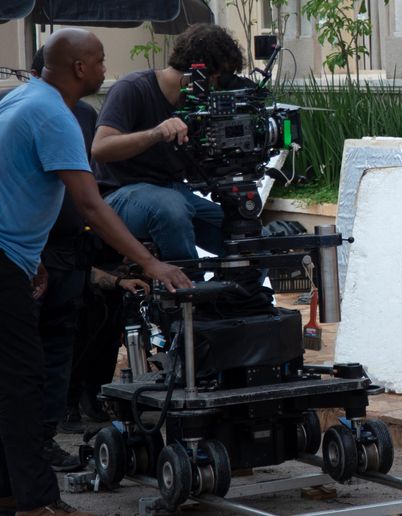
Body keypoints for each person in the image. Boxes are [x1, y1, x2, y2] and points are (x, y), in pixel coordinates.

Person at [0, 28, 191, 515]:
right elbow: (89, 202)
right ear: (80, 68)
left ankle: (9, 490)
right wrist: (150, 261)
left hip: (11, 257)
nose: (108, 70)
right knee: (24, 381)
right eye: (102, 60)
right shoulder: (57, 116)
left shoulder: (22, 97)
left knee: (11, 379)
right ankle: (34, 501)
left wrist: (31, 252)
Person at [92, 23, 247, 261]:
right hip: (119, 195)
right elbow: (100, 149)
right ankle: (188, 288)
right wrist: (155, 133)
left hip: (173, 192)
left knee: (248, 235)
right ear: (202, 74)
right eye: (219, 79)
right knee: (171, 208)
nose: (219, 88)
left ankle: (237, 296)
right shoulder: (133, 88)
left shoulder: (198, 105)